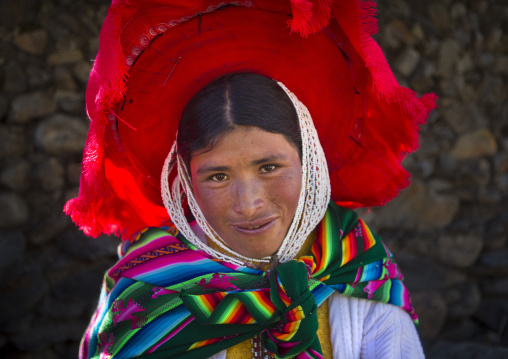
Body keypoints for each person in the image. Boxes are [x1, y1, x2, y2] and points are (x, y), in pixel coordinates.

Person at [66, 1, 437, 358]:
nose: (248, 203)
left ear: (308, 158)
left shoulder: (357, 263)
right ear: (186, 179)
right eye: (218, 176)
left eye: (269, 167)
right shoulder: (147, 292)